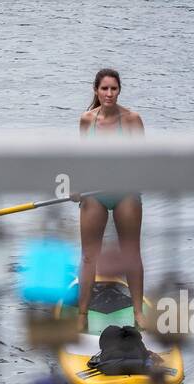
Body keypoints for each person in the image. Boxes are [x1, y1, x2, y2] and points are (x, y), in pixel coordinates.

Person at [76, 68, 146, 332]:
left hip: (125, 193)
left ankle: (138, 313)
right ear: (96, 90)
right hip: (95, 194)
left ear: (119, 90)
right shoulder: (86, 121)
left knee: (131, 254)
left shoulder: (132, 120)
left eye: (113, 89)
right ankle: (82, 315)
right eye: (104, 89)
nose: (109, 94)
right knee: (88, 257)